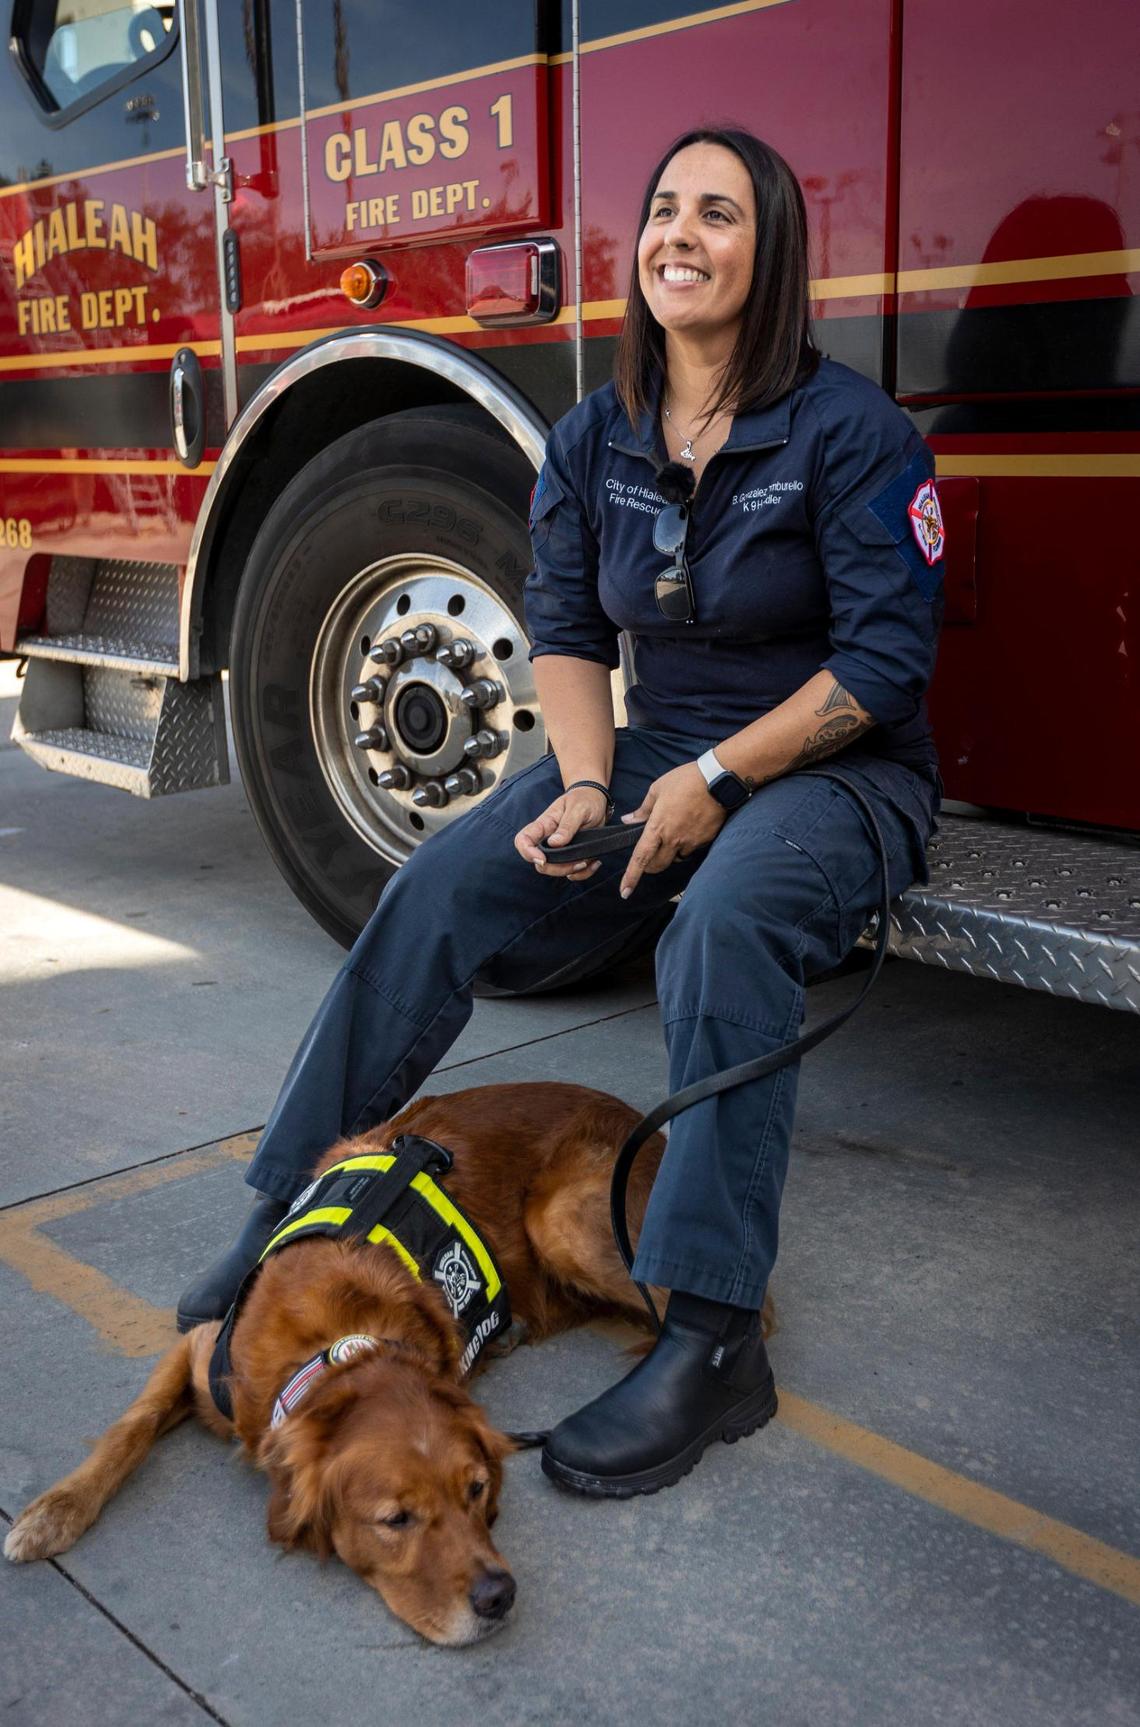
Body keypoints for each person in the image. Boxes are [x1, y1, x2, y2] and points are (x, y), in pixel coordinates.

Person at [178, 127, 944, 1498]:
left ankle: (713, 1338)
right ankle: (282, 1219)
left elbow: (882, 670)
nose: (678, 236)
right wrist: (591, 785)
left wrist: (716, 783)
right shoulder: (597, 435)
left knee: (721, 922)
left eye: (717, 213)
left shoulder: (851, 431)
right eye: (662, 209)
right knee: (443, 880)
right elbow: (572, 638)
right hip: (659, 747)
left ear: (769, 253)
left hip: (837, 771)